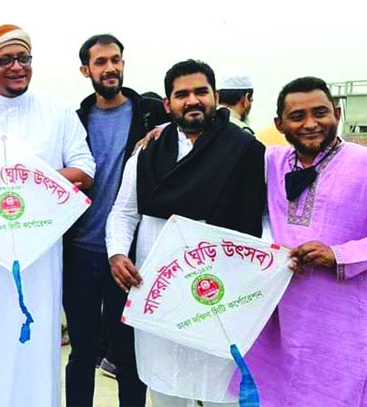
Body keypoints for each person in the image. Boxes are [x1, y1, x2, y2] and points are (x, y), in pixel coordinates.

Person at [0, 24, 95, 406]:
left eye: (23, 58)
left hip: (39, 255)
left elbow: (84, 169)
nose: (16, 67)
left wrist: (30, 180)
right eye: (5, 60)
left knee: (37, 351)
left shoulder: (57, 112)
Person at [106, 59, 266, 406]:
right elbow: (123, 212)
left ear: (215, 96)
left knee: (222, 390)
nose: (192, 100)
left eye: (200, 92)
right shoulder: (147, 154)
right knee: (166, 387)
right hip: (160, 292)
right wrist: (117, 254)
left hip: (222, 294)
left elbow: (265, 221)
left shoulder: (246, 151)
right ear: (168, 104)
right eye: (182, 94)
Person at [245, 76, 367, 407]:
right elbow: (226, 148)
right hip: (284, 318)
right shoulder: (272, 162)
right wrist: (163, 131)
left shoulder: (362, 162)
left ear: (337, 114)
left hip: (344, 320)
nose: (311, 124)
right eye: (297, 116)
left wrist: (338, 254)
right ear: (279, 124)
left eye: (321, 113)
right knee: (282, 394)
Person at [63, 33, 168, 407]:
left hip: (129, 253)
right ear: (85, 70)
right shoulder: (75, 120)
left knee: (128, 353)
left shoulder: (151, 113)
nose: (110, 68)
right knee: (82, 351)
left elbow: (207, 119)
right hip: (80, 250)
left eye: (116, 60)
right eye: (101, 62)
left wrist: (164, 129)